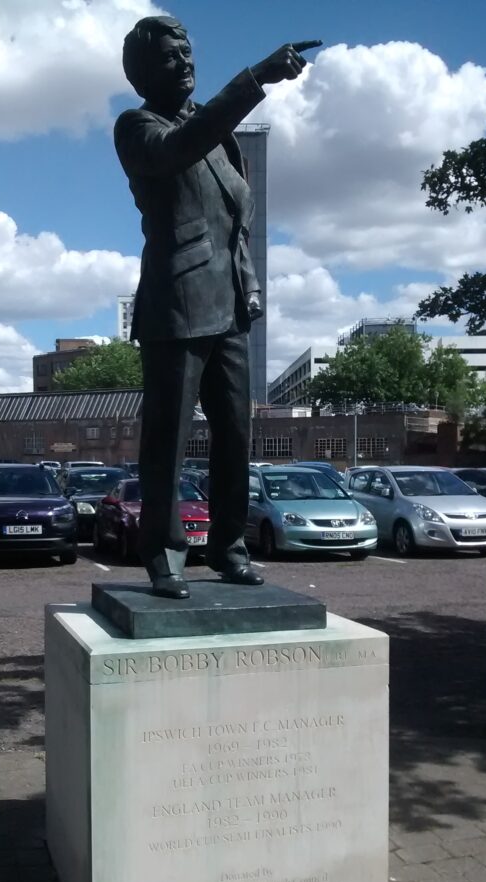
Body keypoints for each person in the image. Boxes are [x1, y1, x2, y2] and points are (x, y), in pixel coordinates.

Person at [115, 17, 321, 598]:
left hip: (230, 307)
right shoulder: (138, 126)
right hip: (177, 305)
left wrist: (249, 286)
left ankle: (229, 548)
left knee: (236, 435)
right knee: (169, 437)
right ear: (141, 73)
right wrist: (254, 79)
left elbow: (237, 224)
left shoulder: (220, 138)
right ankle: (162, 553)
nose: (184, 63)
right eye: (169, 56)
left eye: (187, 52)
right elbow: (178, 148)